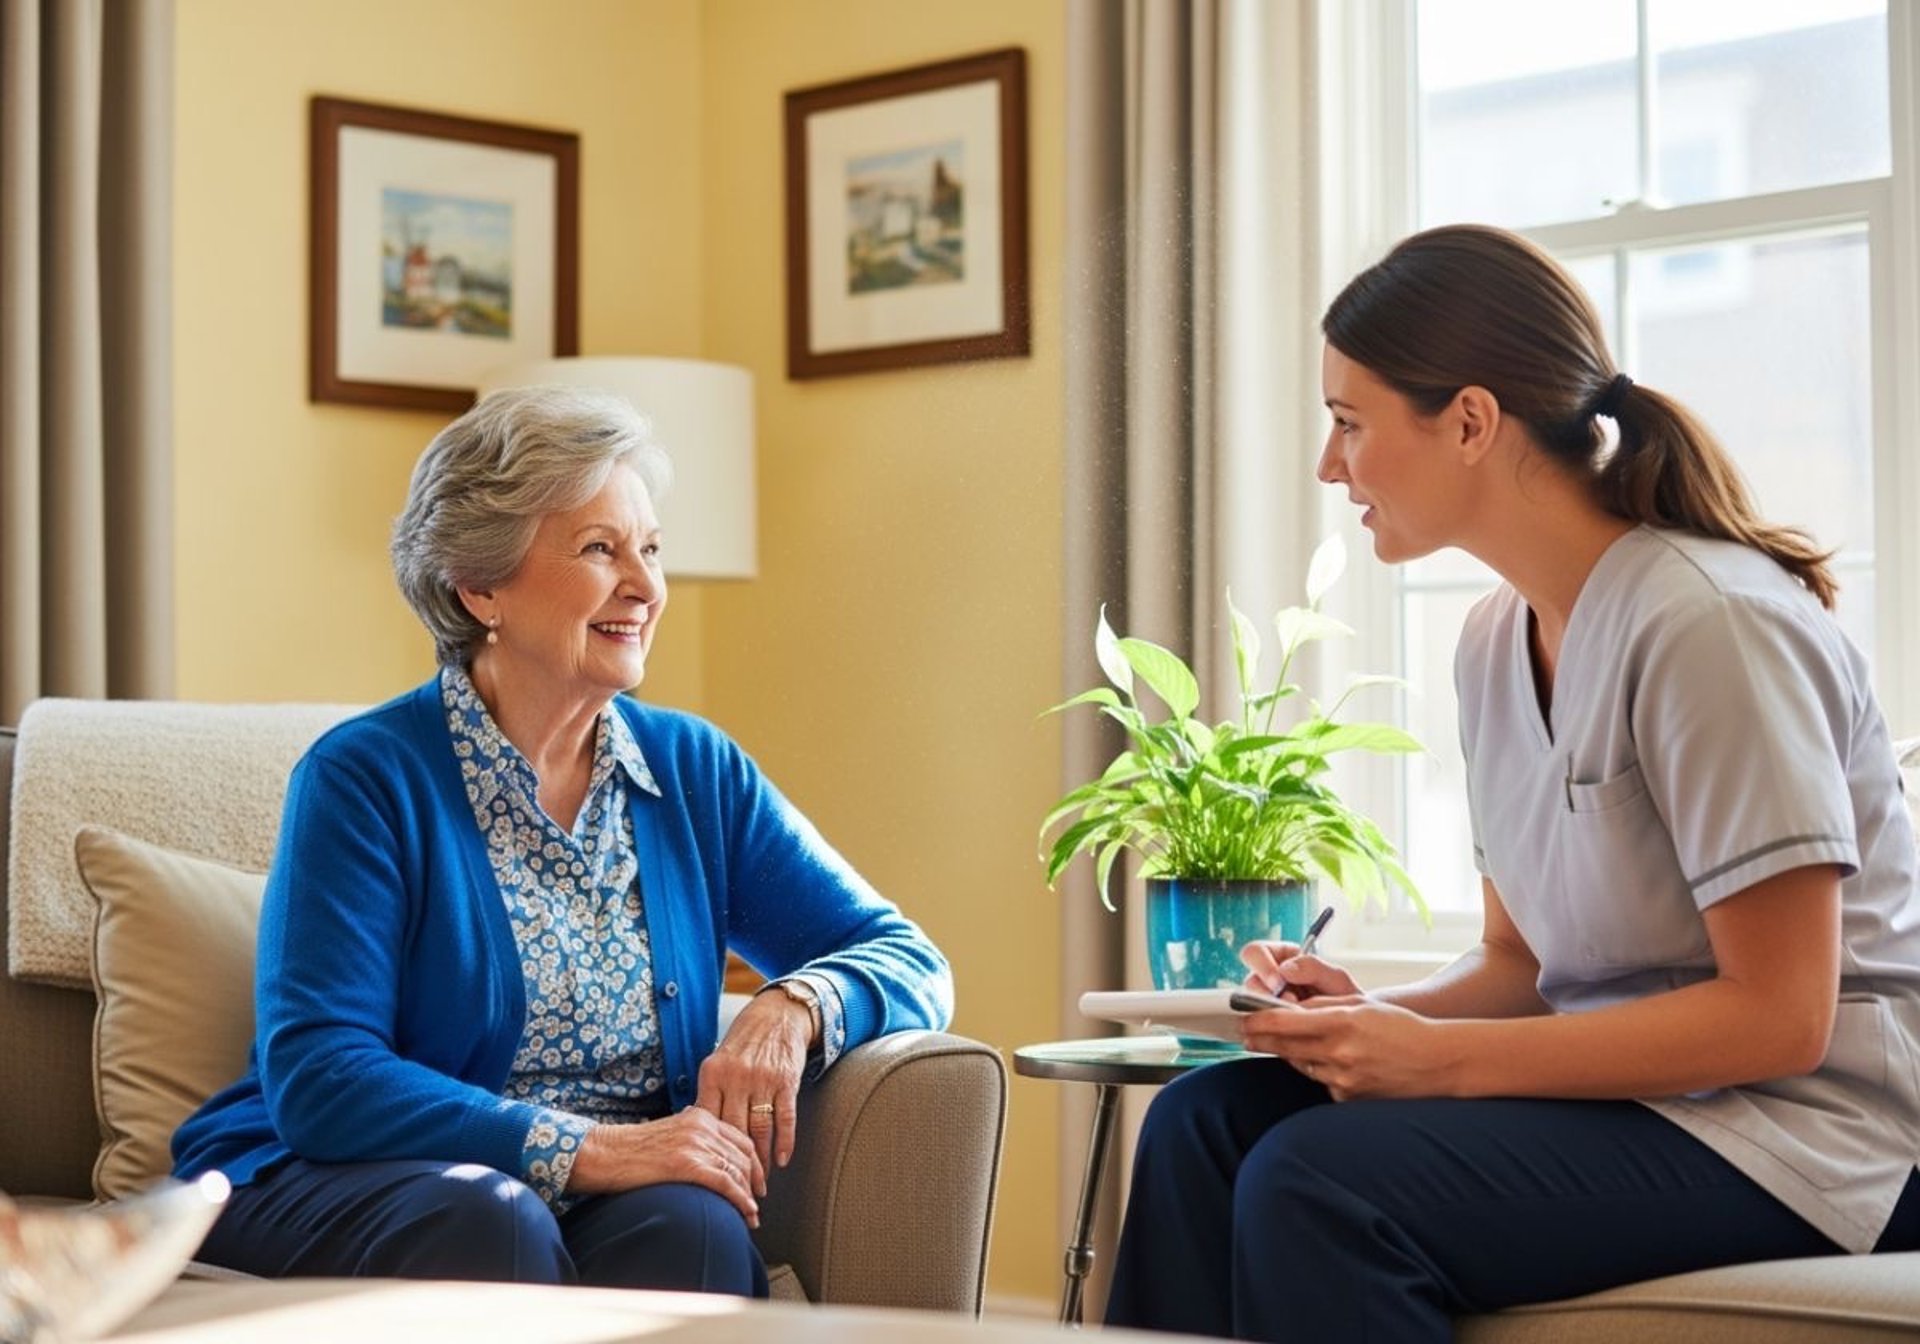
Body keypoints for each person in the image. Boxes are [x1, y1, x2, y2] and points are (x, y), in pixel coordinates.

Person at [1103, 224, 1920, 1342]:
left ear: (1472, 422)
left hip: (1810, 1132)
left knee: (1317, 1178)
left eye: (1348, 423)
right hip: (1649, 1106)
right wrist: (1368, 1018)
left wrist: (1438, 1061)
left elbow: (1781, 1019)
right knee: (1202, 1124)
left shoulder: (1710, 622)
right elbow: (1521, 966)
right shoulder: (1494, 642)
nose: (1328, 465)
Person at [170, 386, 952, 1294]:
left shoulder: (694, 770)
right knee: (490, 1219)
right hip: (344, 1175)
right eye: (599, 549)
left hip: (596, 1190)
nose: (646, 587)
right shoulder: (363, 778)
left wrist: (797, 1005)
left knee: (695, 1232)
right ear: (479, 585)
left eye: (651, 550)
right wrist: (587, 1149)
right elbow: (322, 1078)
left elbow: (910, 958)